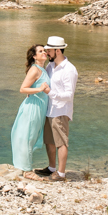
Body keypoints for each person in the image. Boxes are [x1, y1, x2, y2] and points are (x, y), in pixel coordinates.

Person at [34, 35, 78, 182]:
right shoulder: (50, 66)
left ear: (58, 51)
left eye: (49, 51)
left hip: (60, 110)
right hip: (49, 109)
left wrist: (49, 93)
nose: (47, 53)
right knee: (49, 141)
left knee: (61, 142)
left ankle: (61, 173)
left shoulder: (70, 70)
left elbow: (69, 95)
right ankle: (52, 168)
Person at [11, 45, 51, 174]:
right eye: (40, 51)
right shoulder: (34, 70)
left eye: (44, 51)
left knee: (32, 136)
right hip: (33, 107)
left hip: (40, 107)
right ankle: (26, 170)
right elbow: (23, 89)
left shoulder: (42, 69)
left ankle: (24, 168)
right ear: (34, 56)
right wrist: (38, 89)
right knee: (27, 137)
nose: (44, 52)